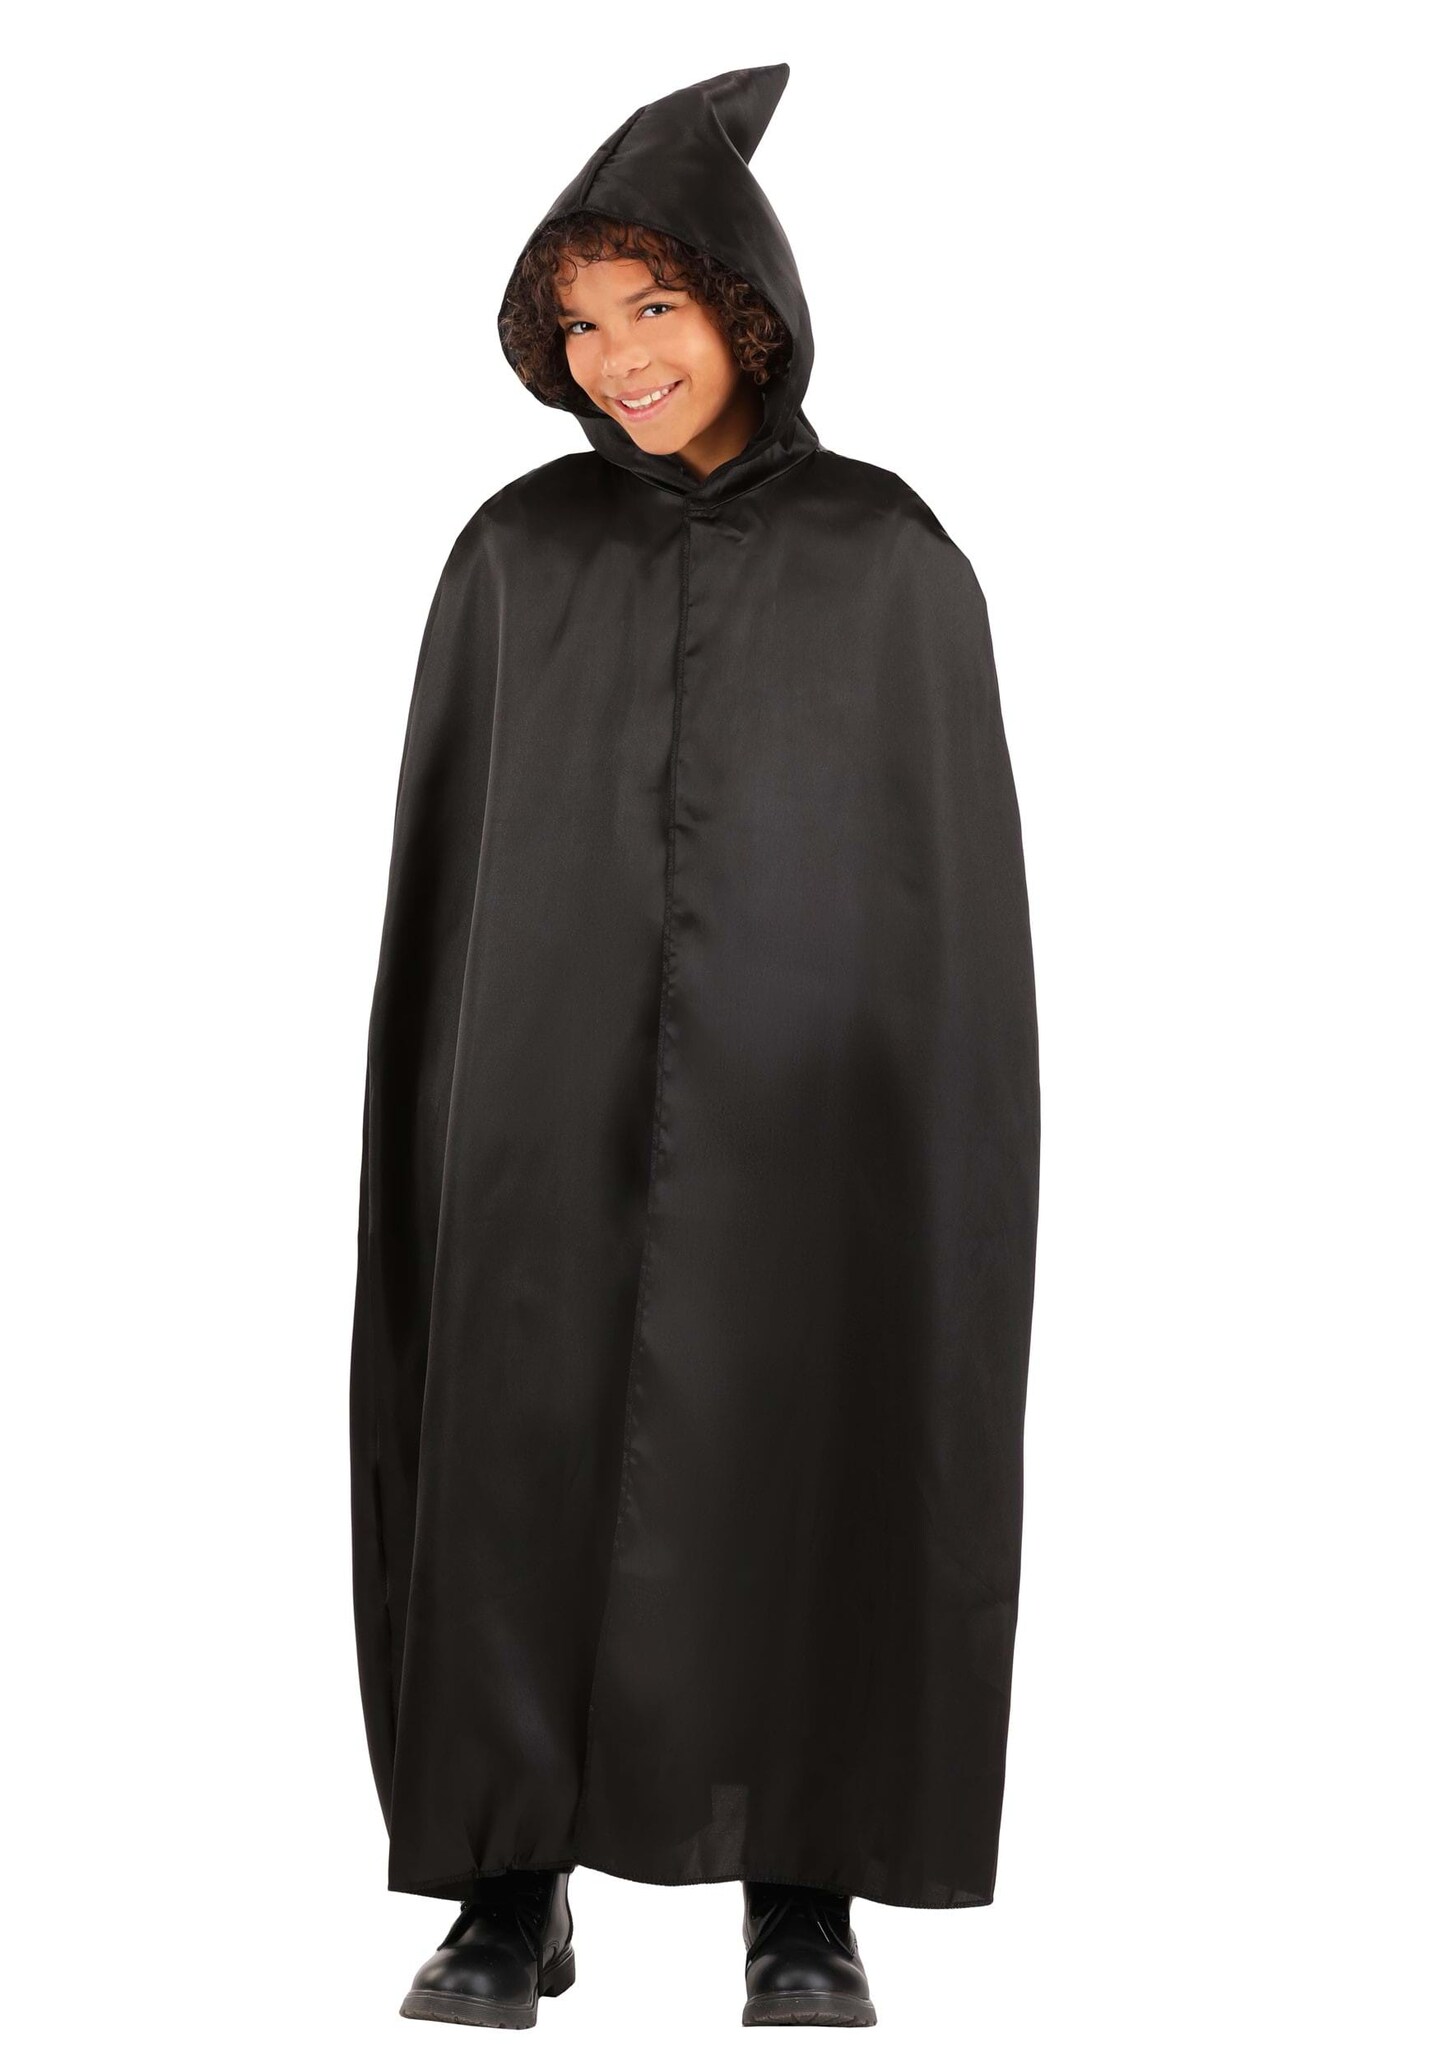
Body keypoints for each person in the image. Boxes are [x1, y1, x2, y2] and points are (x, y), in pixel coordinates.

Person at [349, 63, 1041, 2031]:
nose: (619, 357)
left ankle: (801, 1888)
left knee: (808, 1431)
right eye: (579, 322)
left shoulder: (888, 555)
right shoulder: (516, 555)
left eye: (652, 304)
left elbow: (943, 908)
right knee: (516, 1443)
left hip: (810, 1112)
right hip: (537, 1105)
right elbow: (450, 893)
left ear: (745, 303)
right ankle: (508, 1885)